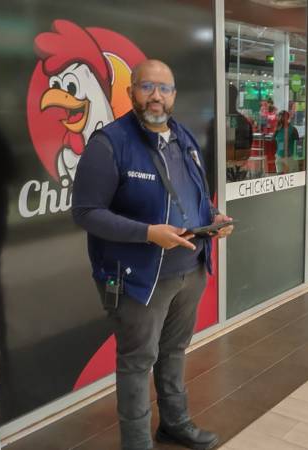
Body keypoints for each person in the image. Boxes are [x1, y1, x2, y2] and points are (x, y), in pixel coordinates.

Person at [72, 60, 233, 450]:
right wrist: (147, 233)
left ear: (174, 95)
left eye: (164, 88)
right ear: (131, 92)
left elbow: (195, 195)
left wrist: (213, 218)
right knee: (136, 361)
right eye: (147, 87)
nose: (156, 96)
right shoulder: (109, 144)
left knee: (174, 350)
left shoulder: (183, 137)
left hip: (190, 268)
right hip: (139, 277)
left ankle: (174, 423)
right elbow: (86, 213)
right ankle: (137, 442)